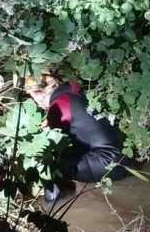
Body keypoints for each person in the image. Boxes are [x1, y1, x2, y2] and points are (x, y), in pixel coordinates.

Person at [23, 72, 132, 201]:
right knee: (67, 154)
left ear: (42, 92)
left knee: (49, 161)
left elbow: (49, 143)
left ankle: (52, 205)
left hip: (105, 163)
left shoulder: (58, 106)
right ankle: (69, 188)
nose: (35, 100)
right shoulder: (75, 97)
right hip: (124, 159)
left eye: (34, 95)